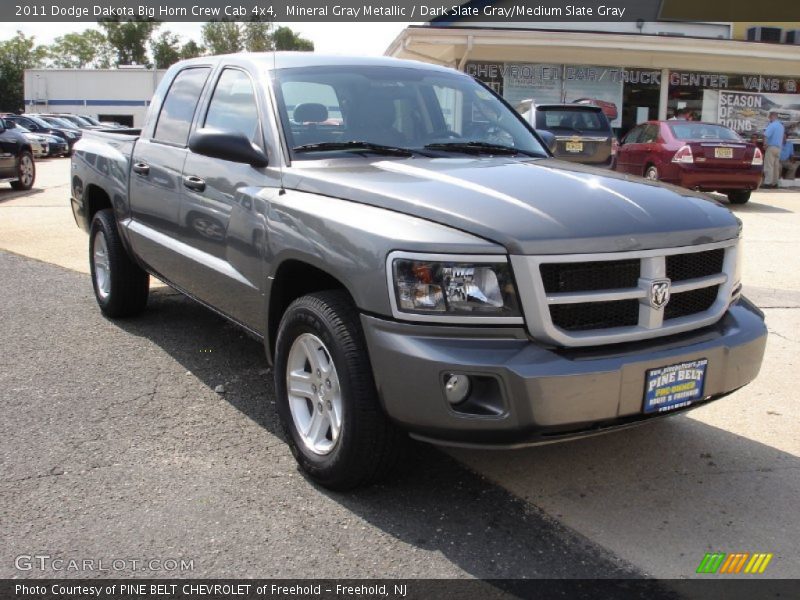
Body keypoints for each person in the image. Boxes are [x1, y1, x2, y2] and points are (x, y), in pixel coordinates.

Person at [762, 112, 785, 188]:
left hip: (771, 147)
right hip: (779, 148)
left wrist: (765, 145)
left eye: (769, 117)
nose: (769, 118)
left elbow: (765, 135)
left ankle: (768, 183)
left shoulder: (772, 125)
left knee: (769, 166)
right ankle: (775, 183)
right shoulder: (781, 126)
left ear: (772, 116)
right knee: (776, 166)